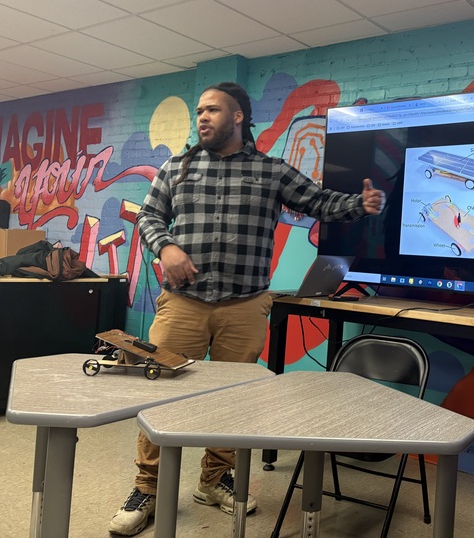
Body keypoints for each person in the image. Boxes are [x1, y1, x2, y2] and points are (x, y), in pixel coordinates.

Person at [109, 82, 385, 536]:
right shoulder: (176, 168)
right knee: (157, 391)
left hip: (245, 306)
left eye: (213, 110)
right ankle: (148, 487)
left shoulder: (271, 170)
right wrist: (166, 248)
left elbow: (318, 202)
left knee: (232, 399)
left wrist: (361, 204)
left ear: (238, 117)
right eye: (199, 110)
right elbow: (148, 216)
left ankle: (214, 480)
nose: (203, 117)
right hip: (184, 303)